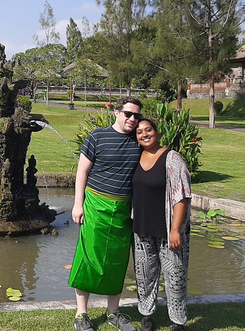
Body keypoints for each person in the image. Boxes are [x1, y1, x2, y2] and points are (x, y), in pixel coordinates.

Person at [69, 96, 143, 331]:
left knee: (117, 261)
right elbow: (82, 172)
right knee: (88, 257)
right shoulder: (97, 136)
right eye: (128, 114)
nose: (132, 119)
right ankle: (82, 314)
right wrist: (77, 204)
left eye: (136, 115)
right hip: (95, 205)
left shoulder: (138, 140)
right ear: (117, 113)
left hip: (123, 209)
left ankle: (113, 313)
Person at [132, 118, 192, 331]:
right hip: (141, 229)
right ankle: (147, 316)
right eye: (139, 132)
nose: (144, 134)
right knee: (145, 276)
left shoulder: (172, 159)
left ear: (157, 132)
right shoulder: (136, 157)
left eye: (148, 130)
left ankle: (178, 321)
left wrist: (176, 229)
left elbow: (182, 197)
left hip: (169, 231)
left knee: (175, 277)